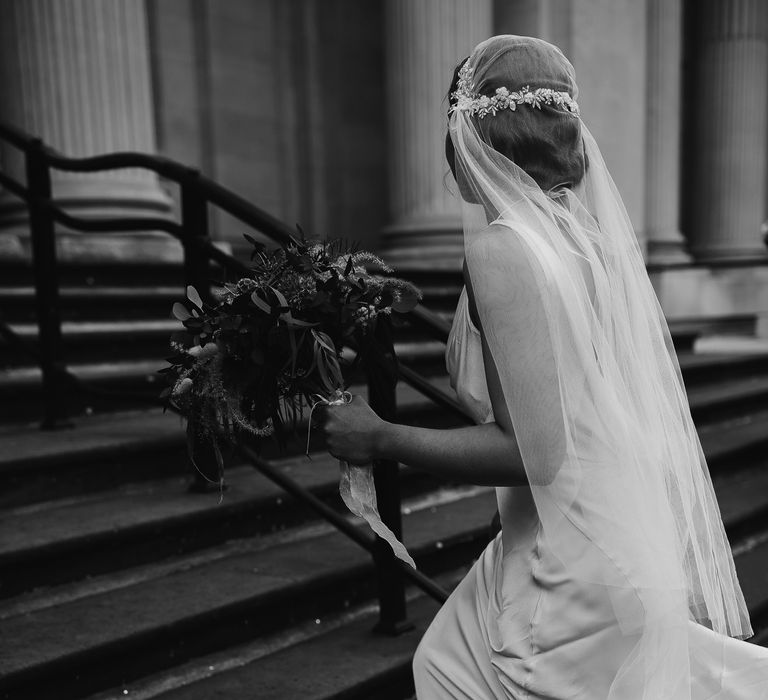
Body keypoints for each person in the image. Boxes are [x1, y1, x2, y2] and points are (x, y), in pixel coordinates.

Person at [319, 35, 768, 698]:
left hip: (565, 557)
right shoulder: (586, 241)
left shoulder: (504, 253)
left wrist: (378, 436)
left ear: (474, 137)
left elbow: (534, 453)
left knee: (448, 670)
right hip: (610, 532)